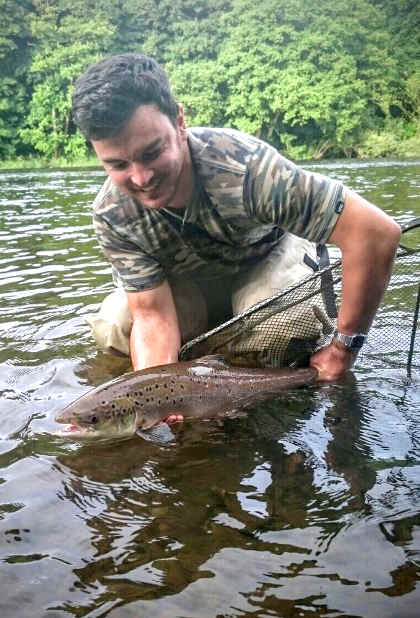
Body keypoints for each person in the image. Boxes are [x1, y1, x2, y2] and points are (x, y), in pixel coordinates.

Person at [72, 53, 401, 381]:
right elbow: (152, 317)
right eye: (118, 165)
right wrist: (157, 397)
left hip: (265, 256)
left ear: (180, 122)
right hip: (193, 284)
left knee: (277, 331)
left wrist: (344, 349)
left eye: (152, 152)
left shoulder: (249, 171)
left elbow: (375, 233)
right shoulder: (112, 213)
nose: (141, 178)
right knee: (118, 323)